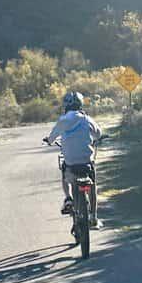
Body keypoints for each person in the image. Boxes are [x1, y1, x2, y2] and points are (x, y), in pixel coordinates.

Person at [44, 91, 102, 225]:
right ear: (80, 104)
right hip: (86, 162)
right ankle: (93, 216)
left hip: (71, 163)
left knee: (64, 173)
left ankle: (68, 198)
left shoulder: (62, 120)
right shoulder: (86, 119)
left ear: (65, 106)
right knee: (92, 186)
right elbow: (98, 134)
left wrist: (49, 140)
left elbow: (52, 138)